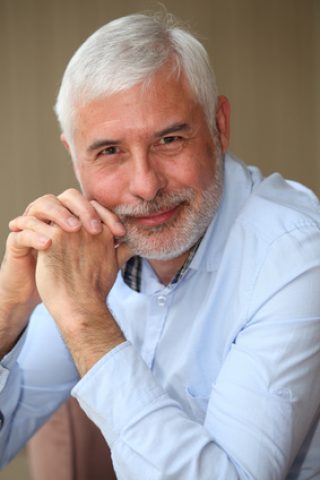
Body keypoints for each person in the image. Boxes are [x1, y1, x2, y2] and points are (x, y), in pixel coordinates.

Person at [0, 12, 320, 480]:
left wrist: (87, 321)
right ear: (73, 156)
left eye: (169, 140)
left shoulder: (295, 255)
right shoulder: (85, 247)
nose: (146, 186)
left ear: (219, 127)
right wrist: (8, 310)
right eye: (109, 151)